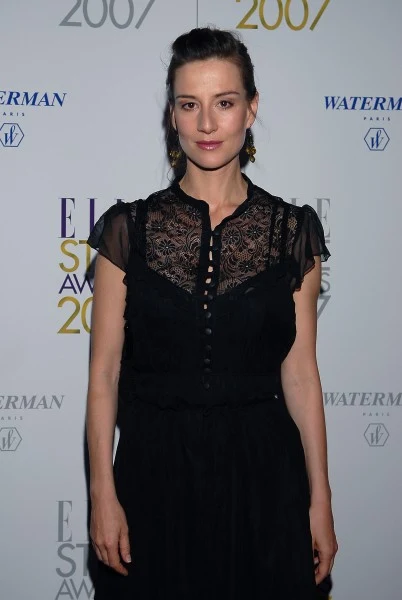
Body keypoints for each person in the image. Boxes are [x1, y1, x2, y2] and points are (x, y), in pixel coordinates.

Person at [86, 26, 338, 600]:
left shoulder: (293, 233)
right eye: (189, 104)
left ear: (251, 109)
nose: (206, 123)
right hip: (153, 480)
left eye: (223, 103)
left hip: (265, 484)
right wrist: (102, 493)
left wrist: (320, 498)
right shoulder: (127, 231)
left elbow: (301, 374)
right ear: (172, 116)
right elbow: (103, 375)